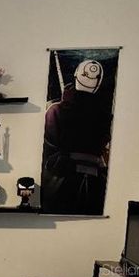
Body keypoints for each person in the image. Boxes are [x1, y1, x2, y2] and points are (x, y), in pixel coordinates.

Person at [41, 60, 112, 215]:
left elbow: (49, 145)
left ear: (75, 76)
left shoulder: (55, 110)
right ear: (98, 83)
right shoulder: (106, 117)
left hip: (63, 179)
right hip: (96, 182)